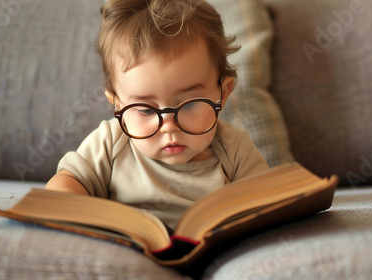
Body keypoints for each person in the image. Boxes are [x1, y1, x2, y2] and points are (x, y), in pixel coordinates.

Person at [45, 0, 269, 229]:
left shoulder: (234, 148)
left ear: (223, 93)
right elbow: (68, 181)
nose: (168, 126)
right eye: (145, 109)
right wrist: (70, 201)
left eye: (189, 105)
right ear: (118, 105)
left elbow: (267, 201)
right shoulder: (111, 142)